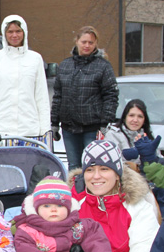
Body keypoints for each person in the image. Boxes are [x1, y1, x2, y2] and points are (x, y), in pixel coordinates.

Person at [50, 26, 119, 166]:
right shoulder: (65, 65)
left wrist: (105, 123)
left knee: (92, 165)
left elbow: (111, 95)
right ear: (77, 41)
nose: (87, 45)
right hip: (69, 128)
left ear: (95, 44)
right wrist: (54, 123)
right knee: (73, 166)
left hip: (92, 128)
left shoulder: (103, 66)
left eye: (91, 43)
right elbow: (58, 96)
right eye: (84, 42)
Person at [0, 15, 50, 141]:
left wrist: (45, 129)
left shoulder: (35, 59)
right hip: (1, 129)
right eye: (10, 31)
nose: (14, 35)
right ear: (4, 33)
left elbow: (41, 97)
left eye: (18, 31)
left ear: (24, 32)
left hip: (29, 130)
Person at [103, 99, 153, 170]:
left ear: (144, 120)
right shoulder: (112, 134)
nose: (135, 120)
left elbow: (158, 161)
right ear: (124, 117)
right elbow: (109, 163)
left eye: (140, 116)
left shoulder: (147, 136)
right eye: (131, 115)